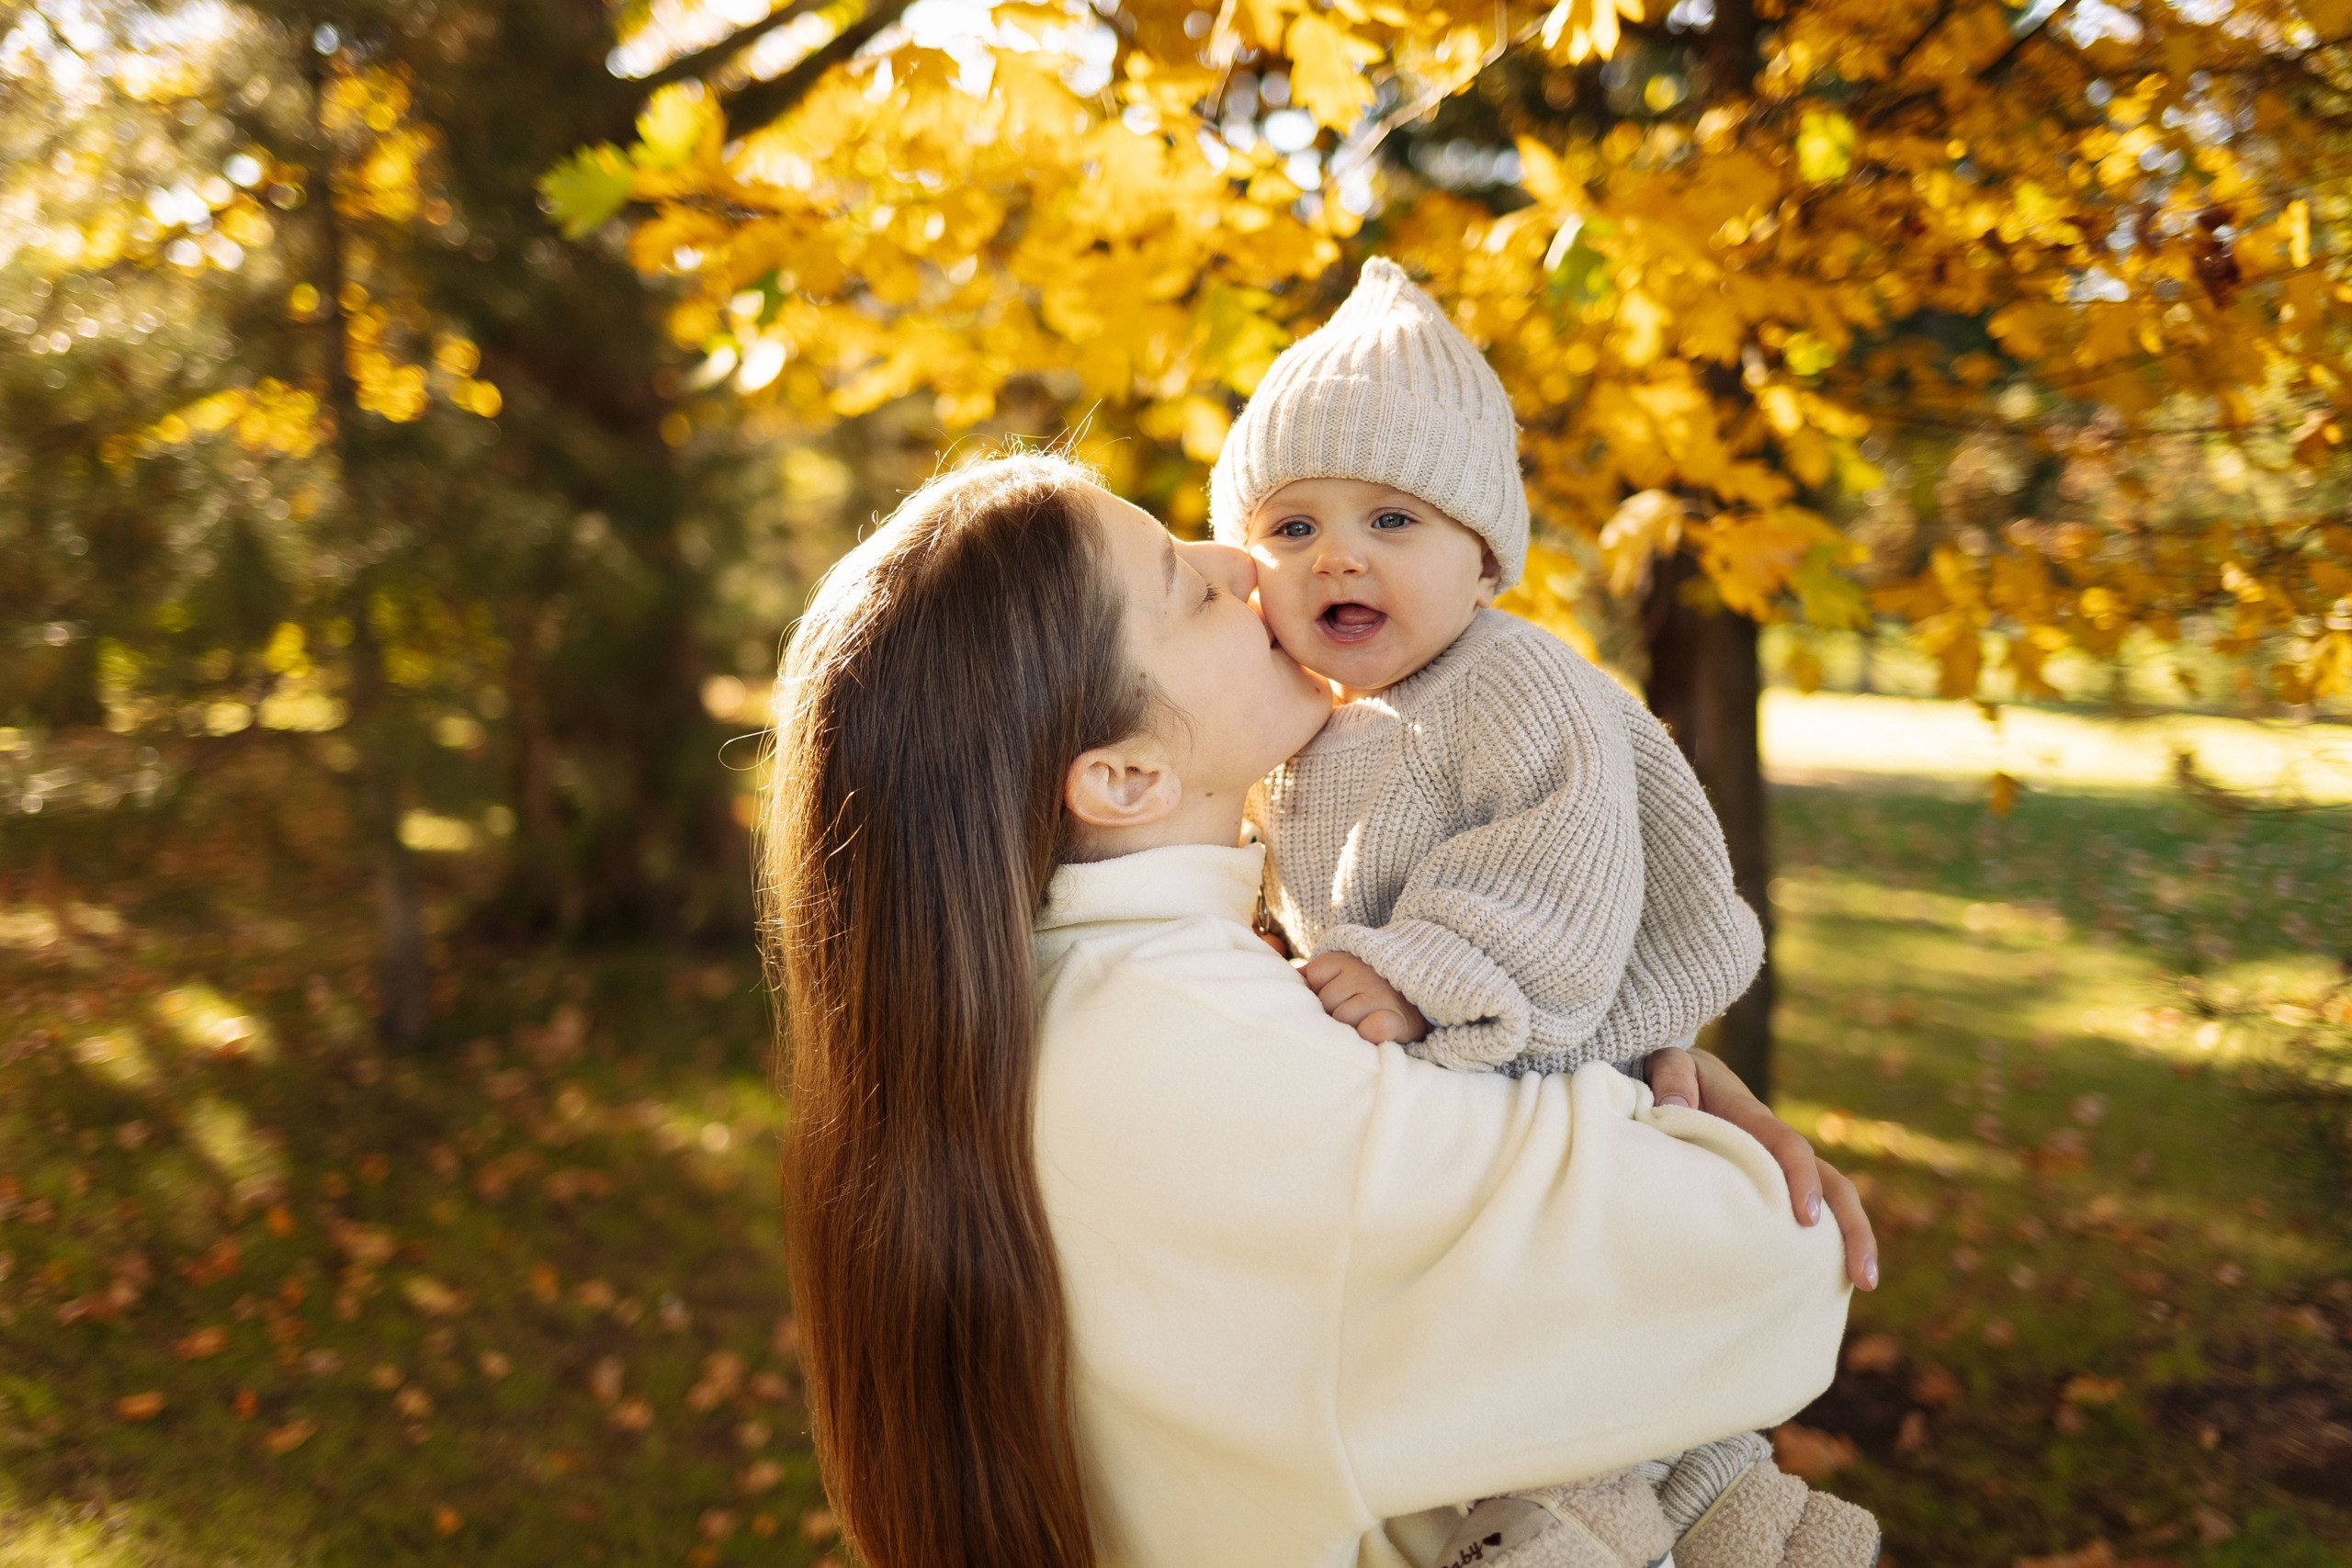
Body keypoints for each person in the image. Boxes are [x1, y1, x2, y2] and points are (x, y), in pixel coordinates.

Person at [762, 451, 1874, 1568]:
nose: (1245, 564)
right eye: (1189, 589)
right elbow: (1766, 1268)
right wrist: (1667, 1115)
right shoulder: (1202, 1055)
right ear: (1126, 778)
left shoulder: (1077, 1009)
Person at [1210, 258, 1879, 1568]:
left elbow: (1558, 863)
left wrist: (1415, 968)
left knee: (1560, 1363)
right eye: (1292, 528)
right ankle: (1763, 1528)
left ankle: (1576, 1528)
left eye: (1394, 520)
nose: (1338, 552)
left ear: (1485, 559)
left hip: (1540, 1053)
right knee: (1652, 1415)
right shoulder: (1307, 729)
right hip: (1458, 1093)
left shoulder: (1511, 683)